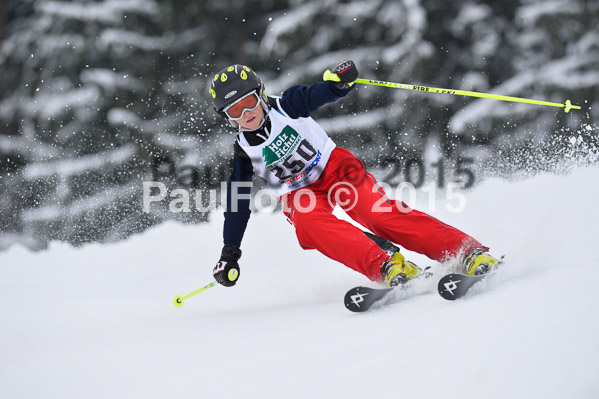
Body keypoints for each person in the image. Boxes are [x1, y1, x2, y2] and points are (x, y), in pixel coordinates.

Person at [209, 61, 500, 288]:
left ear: (260, 94)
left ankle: (465, 251)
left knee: (375, 214)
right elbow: (238, 202)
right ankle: (385, 264)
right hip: (300, 193)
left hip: (336, 168)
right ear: (227, 117)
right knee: (308, 225)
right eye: (234, 111)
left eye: (248, 102)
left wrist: (337, 85)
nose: (245, 114)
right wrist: (229, 251)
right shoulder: (244, 151)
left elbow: (313, 95)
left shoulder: (286, 105)